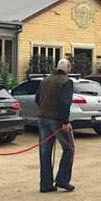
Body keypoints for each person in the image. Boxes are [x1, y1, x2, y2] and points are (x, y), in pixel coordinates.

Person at [35, 58, 75, 193]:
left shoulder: (45, 80)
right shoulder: (66, 82)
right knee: (69, 148)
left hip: (42, 118)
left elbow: (37, 98)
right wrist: (65, 121)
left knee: (45, 151)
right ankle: (62, 179)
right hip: (57, 120)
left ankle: (45, 184)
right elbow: (65, 103)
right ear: (68, 69)